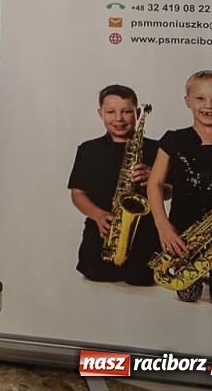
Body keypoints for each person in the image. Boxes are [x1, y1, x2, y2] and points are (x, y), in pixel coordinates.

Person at [146, 70, 212, 306]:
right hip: (182, 234)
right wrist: (163, 226)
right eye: (200, 98)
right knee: (188, 296)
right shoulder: (173, 139)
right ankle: (198, 274)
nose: (208, 106)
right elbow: (155, 183)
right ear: (187, 101)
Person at [66, 84, 159, 285]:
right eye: (111, 112)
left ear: (138, 112)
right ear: (100, 113)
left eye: (126, 111)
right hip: (102, 231)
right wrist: (98, 215)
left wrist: (154, 179)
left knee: (142, 280)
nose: (119, 118)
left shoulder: (156, 149)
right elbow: (78, 193)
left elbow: (169, 192)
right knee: (94, 276)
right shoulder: (88, 150)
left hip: (145, 235)